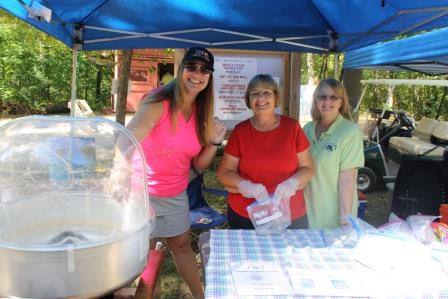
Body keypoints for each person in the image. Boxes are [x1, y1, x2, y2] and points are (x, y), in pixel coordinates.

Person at [126, 47, 226, 299]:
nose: (197, 74)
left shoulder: (203, 113)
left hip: (175, 192)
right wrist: (118, 182)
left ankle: (201, 296)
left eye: (204, 70)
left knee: (181, 246)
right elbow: (123, 144)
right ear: (182, 70)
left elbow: (199, 165)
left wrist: (213, 143)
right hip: (142, 193)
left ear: (209, 77)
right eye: (192, 67)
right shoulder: (157, 104)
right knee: (147, 255)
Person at [217, 74, 314, 229]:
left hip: (289, 214)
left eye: (267, 92)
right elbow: (224, 172)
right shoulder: (240, 132)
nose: (261, 98)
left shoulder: (292, 128)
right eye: (255, 93)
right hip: (246, 215)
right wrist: (243, 185)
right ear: (249, 99)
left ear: (275, 97)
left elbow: (308, 169)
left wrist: (293, 183)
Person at [303, 78, 364, 229]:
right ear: (316, 100)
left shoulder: (349, 132)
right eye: (322, 96)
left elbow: (348, 178)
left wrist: (345, 215)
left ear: (341, 102)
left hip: (334, 215)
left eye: (333, 97)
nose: (327, 101)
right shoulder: (306, 129)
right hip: (305, 211)